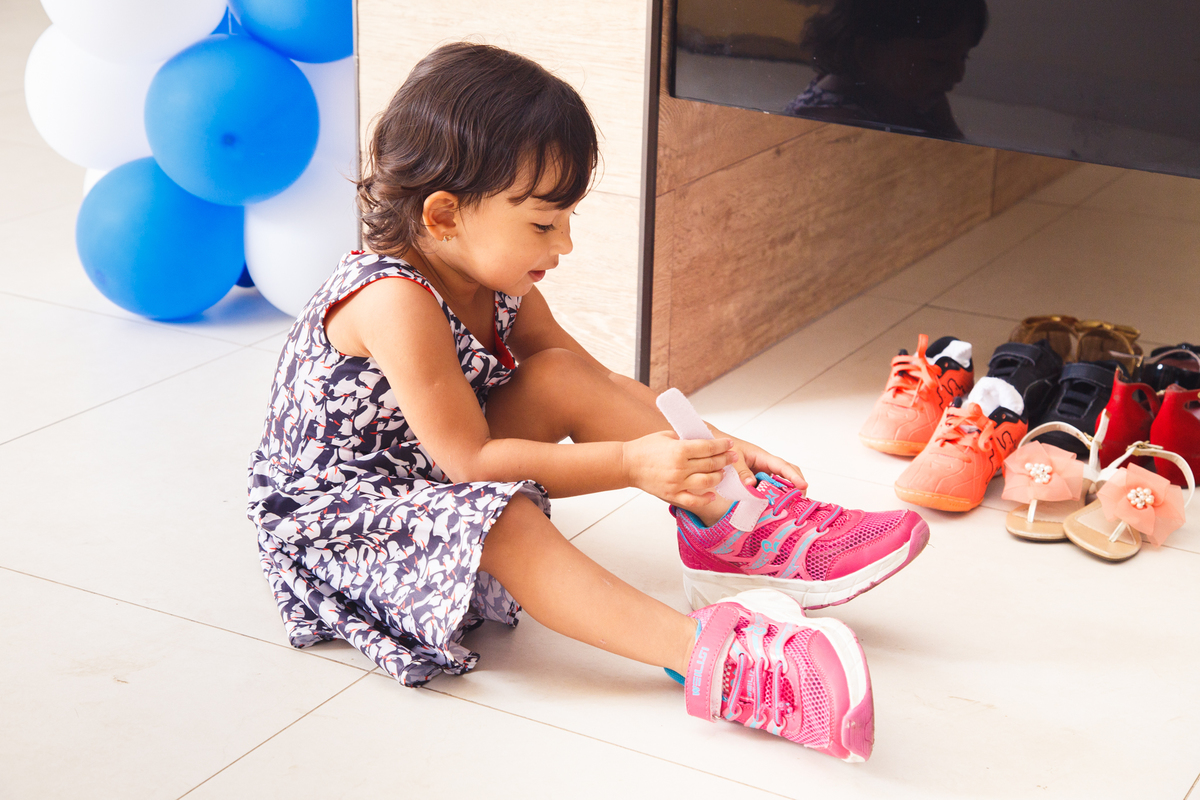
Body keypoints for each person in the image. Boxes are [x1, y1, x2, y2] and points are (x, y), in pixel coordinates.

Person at [247, 42, 928, 761]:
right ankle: (717, 662)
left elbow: (599, 385)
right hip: (351, 522)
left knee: (561, 373)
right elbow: (471, 462)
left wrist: (718, 444)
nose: (565, 243)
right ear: (445, 215)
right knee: (499, 516)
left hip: (428, 469)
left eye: (567, 218)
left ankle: (741, 525)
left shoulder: (500, 283)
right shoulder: (392, 299)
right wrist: (631, 465)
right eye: (544, 223)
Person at [785, 0, 989, 139]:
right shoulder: (829, 121)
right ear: (869, 53)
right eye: (938, 61)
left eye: (963, 56)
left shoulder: (921, 99)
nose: (958, 75)